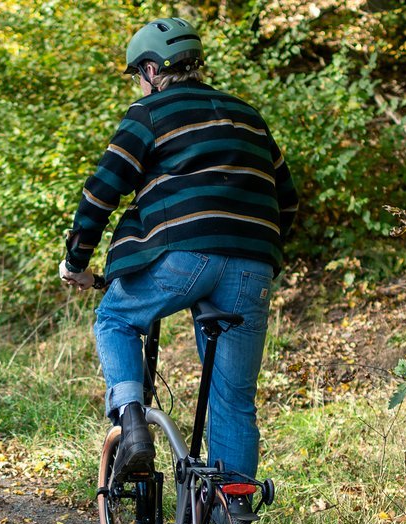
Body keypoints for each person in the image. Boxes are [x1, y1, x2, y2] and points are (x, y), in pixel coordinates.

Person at [59, 16, 298, 482]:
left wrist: (76, 261)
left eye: (139, 75)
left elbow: (102, 191)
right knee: (233, 399)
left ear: (151, 69)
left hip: (181, 255)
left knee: (116, 318)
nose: (141, 85)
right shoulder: (247, 115)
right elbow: (285, 199)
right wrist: (250, 251)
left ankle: (131, 426)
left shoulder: (149, 114)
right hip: (254, 263)